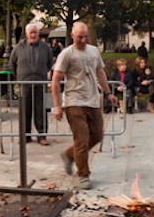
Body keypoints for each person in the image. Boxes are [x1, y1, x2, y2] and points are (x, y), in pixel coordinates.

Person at [50, 22, 116, 189]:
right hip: (74, 102)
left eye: (85, 36)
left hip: (93, 100)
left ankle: (69, 155)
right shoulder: (66, 54)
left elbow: (100, 72)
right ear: (72, 35)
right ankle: (83, 175)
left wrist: (108, 93)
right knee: (82, 139)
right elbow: (55, 81)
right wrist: (57, 106)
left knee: (98, 135)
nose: (83, 39)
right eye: (79, 36)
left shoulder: (94, 51)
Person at [9, 23, 55, 145]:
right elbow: (12, 64)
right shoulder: (19, 47)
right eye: (31, 32)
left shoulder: (46, 47)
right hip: (25, 84)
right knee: (25, 110)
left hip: (40, 83)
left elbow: (50, 63)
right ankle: (25, 136)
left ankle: (42, 136)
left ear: (38, 33)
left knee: (41, 110)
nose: (33, 34)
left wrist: (41, 73)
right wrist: (20, 76)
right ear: (27, 34)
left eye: (35, 32)